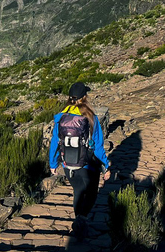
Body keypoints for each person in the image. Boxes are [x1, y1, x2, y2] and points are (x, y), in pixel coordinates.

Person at [48, 82, 111, 239]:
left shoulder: (60, 117)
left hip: (68, 164)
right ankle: (81, 219)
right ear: (84, 97)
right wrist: (106, 166)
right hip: (87, 164)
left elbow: (55, 142)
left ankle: (79, 221)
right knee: (91, 194)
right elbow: (98, 146)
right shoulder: (90, 118)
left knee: (77, 191)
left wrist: (53, 164)